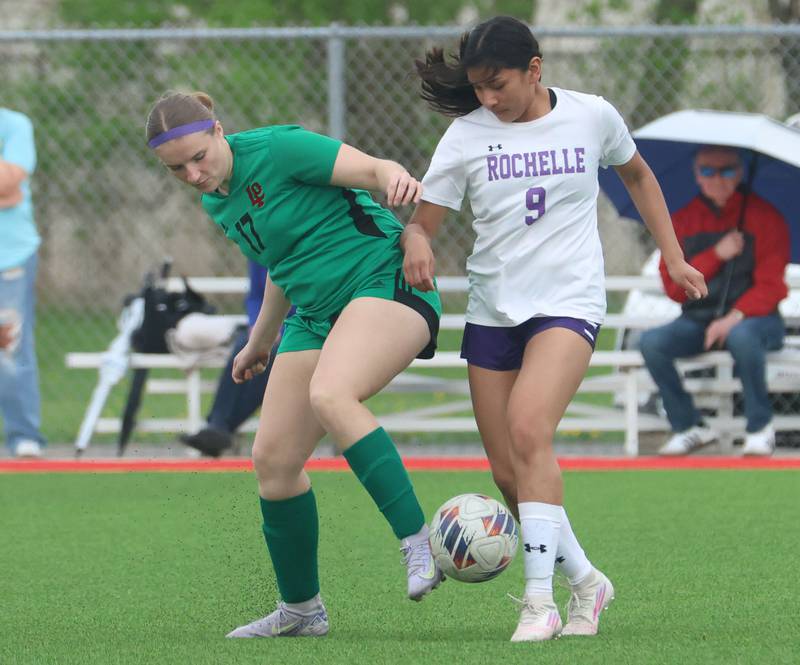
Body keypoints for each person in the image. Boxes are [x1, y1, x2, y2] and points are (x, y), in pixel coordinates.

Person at [402, 16, 706, 642]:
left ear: (535, 68)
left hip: (569, 301)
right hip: (493, 309)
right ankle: (588, 582)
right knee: (509, 473)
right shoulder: (464, 137)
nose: (488, 98)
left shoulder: (592, 115)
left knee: (528, 428)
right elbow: (422, 222)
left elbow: (639, 175)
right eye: (479, 87)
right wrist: (415, 244)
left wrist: (673, 255)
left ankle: (538, 602)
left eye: (498, 84)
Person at [146, 91, 444, 638]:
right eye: (176, 169)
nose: (191, 174)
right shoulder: (217, 200)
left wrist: (396, 177)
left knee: (331, 394)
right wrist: (259, 340)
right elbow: (283, 262)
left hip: (383, 281)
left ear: (217, 130)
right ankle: (302, 610)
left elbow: (374, 169)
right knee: (274, 460)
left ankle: (418, 541)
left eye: (198, 157)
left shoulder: (279, 148)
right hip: (313, 313)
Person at [639, 146, 789, 457]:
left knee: (743, 337)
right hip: (700, 320)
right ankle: (689, 426)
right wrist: (717, 255)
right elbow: (674, 288)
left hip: (756, 321)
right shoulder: (681, 220)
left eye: (727, 170)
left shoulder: (766, 218)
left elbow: (772, 286)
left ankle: (760, 428)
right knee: (652, 343)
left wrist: (734, 316)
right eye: (708, 171)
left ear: (740, 173)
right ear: (696, 174)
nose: (717, 178)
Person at [179, 261, 278, 457]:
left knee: (268, 356)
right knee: (245, 345)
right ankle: (218, 426)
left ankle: (220, 428)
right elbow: (255, 297)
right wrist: (256, 324)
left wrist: (276, 328)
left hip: (297, 324)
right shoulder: (257, 249)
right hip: (263, 324)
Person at [0, 107, 45, 459]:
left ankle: (23, 434)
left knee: (10, 348)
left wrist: (8, 189)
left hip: (9, 255)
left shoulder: (14, 124)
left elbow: (9, 184)